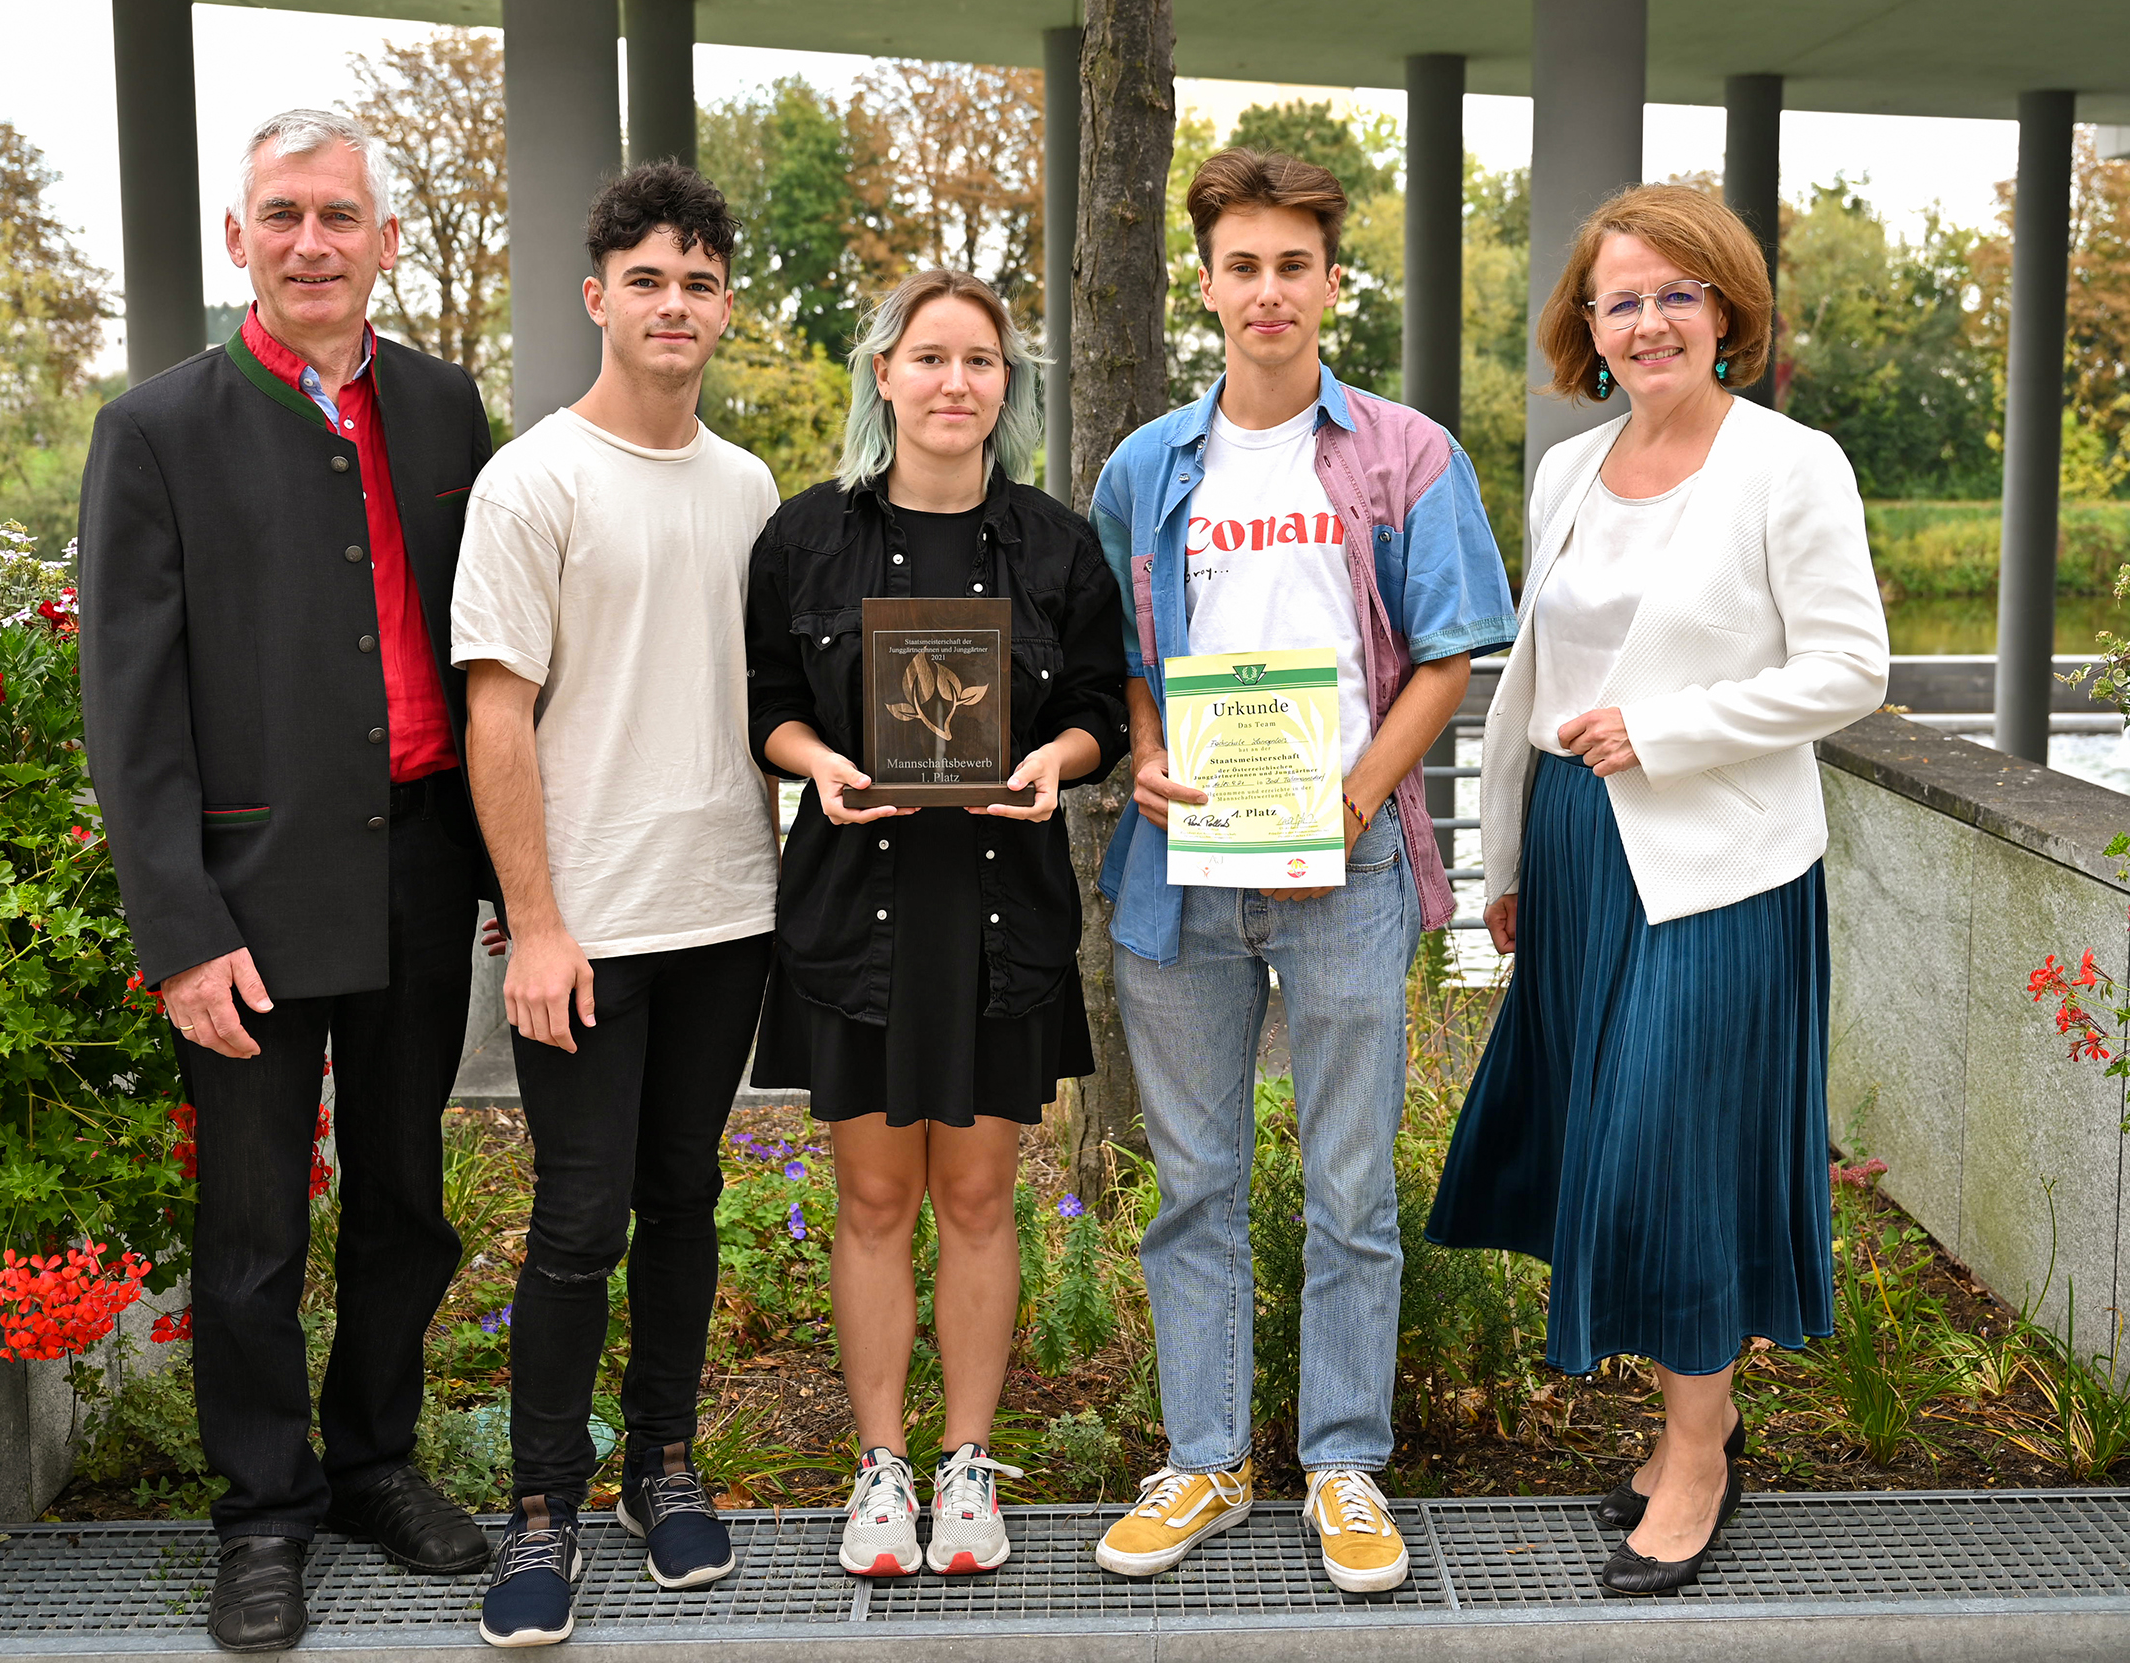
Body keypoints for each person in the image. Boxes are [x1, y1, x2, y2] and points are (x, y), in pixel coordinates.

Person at [1427, 183, 1890, 1595]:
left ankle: (1697, 1455)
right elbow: (1534, 687)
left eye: (1677, 292)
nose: (1647, 320)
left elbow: (1851, 670)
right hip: (1579, 851)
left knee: (1679, 1148)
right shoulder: (1570, 468)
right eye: (1620, 298)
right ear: (1589, 324)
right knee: (1598, 1143)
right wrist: (1506, 863)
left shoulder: (1788, 466)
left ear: (1727, 309)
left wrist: (1672, 732)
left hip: (1718, 868)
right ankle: (1693, 1419)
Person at [77, 109, 495, 1652]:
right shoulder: (157, 430)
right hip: (247, 900)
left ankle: (375, 1462)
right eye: (282, 215)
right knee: (252, 1230)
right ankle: (264, 1512)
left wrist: (519, 865)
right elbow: (128, 710)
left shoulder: (450, 412)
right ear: (235, 242)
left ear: (385, 239)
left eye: (339, 215)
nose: (311, 241)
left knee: (406, 1202)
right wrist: (179, 930)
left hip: (422, 871)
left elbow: (497, 657)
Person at [1087, 149, 1515, 1595]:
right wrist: (1144, 750)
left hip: (1347, 863)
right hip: (1183, 870)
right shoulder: (1147, 468)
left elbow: (1452, 649)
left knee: (1350, 1186)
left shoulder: (1406, 454)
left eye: (1294, 265)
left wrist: (1354, 800)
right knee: (1194, 1180)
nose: (1268, 292)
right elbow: (1129, 662)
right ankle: (1204, 1459)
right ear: (1207, 283)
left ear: (1333, 282)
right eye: (1242, 265)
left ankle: (1342, 1462)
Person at [745, 268, 1126, 1578]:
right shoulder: (807, 538)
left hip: (1000, 907)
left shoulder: (1057, 545)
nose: (955, 382)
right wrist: (818, 761)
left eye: (981, 362)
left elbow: (1099, 709)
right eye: (930, 358)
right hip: (856, 903)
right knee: (869, 1198)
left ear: (1004, 389)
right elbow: (766, 701)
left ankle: (967, 1468)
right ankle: (880, 1472)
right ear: (885, 376)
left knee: (976, 1197)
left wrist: (1056, 762)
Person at [449, 163, 780, 1646]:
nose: (673, 304)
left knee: (687, 1198)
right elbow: (496, 716)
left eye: (698, 282)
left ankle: (664, 1466)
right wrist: (536, 921)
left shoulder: (750, 487)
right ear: (598, 298)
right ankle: (540, 1509)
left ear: (723, 306)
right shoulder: (533, 480)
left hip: (728, 910)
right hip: (586, 928)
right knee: (577, 1222)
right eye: (646, 279)